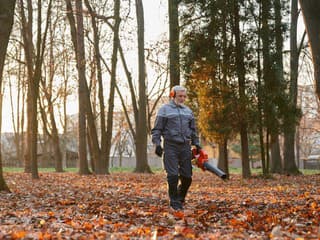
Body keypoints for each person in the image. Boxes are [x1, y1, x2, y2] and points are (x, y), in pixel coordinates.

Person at [151, 85, 201, 210]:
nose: (182, 98)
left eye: (184, 96)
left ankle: (180, 197)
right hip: (170, 146)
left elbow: (193, 130)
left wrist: (196, 143)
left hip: (185, 146)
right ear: (173, 95)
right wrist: (157, 144)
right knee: (172, 175)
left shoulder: (188, 111)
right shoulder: (164, 110)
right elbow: (157, 129)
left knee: (187, 177)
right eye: (180, 96)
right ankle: (174, 202)